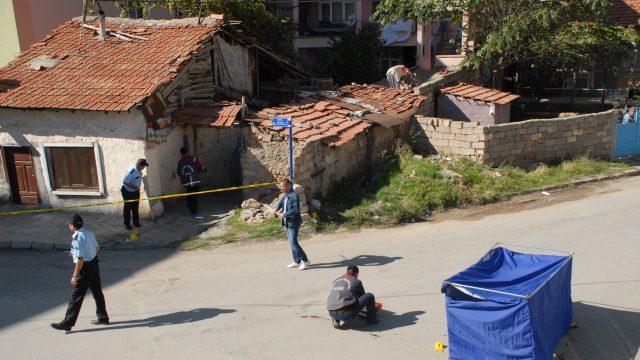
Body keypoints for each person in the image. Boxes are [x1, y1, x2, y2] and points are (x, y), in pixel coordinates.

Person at [51, 214, 109, 332]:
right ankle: (103, 317)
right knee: (97, 292)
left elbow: (80, 259)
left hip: (85, 268)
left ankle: (68, 323)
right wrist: (76, 254)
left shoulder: (77, 238)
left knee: (76, 296)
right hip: (94, 264)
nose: (69, 226)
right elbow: (96, 248)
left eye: (70, 225)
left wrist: (75, 275)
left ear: (72, 226)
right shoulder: (89, 233)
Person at [275, 178, 310, 270]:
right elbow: (280, 204)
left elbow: (295, 210)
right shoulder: (285, 195)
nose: (281, 188)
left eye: (283, 186)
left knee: (293, 242)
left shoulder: (294, 196)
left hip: (293, 222)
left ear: (289, 186)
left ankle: (305, 261)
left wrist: (284, 214)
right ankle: (296, 261)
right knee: (291, 243)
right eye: (281, 186)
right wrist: (276, 211)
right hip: (287, 222)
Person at [177, 147, 206, 216]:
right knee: (194, 196)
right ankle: (193, 211)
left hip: (186, 182)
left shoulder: (180, 161)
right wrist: (204, 170)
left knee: (190, 193)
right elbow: (200, 165)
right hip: (195, 181)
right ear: (187, 152)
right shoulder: (193, 158)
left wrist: (183, 178)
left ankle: (189, 204)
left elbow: (178, 171)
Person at [121, 158, 148, 230]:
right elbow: (125, 182)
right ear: (140, 166)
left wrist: (137, 188)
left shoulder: (139, 170)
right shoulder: (131, 171)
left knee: (135, 207)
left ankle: (136, 222)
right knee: (127, 208)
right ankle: (127, 224)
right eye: (144, 166)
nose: (144, 168)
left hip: (135, 192)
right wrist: (135, 187)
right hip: (128, 192)